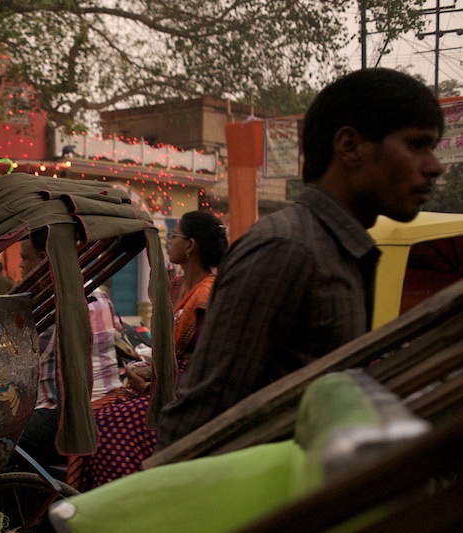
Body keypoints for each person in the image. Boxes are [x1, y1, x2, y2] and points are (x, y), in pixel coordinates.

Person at [157, 68, 445, 449]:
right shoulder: (286, 249)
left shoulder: (343, 252)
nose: (435, 166)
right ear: (349, 146)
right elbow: (198, 421)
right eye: (417, 145)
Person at [68, 210, 226, 489]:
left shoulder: (205, 294)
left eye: (174, 236)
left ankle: (125, 497)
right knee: (92, 412)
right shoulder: (181, 287)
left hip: (184, 396)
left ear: (190, 246)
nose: (169, 242)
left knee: (104, 426)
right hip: (166, 384)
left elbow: (203, 363)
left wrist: (154, 384)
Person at [16, 226, 120, 471]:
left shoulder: (52, 303)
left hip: (64, 412)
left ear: (45, 259)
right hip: (108, 399)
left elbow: (21, 363)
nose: (21, 266)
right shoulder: (100, 293)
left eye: (25, 258)